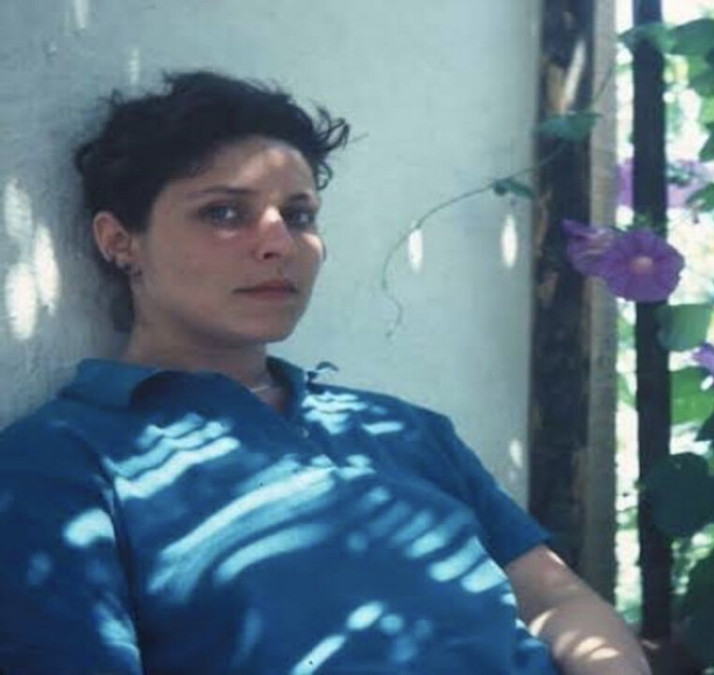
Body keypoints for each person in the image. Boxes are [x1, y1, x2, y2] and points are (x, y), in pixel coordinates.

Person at [0, 71, 651, 675]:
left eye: (299, 215)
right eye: (224, 212)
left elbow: (556, 599)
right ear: (120, 241)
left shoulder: (401, 429)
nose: (278, 242)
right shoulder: (62, 461)